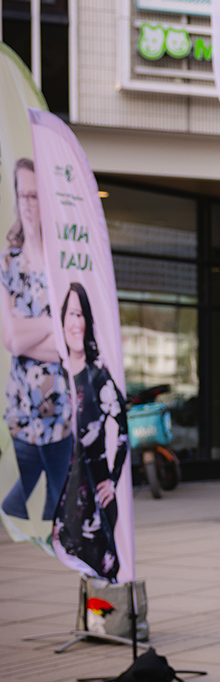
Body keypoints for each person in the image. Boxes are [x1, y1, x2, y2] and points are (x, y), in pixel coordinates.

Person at [0, 157, 73, 523]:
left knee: (57, 504)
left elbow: (70, 342)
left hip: (62, 409)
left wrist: (30, 329)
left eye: (35, 195)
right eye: (22, 196)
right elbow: (10, 339)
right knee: (20, 502)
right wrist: (50, 323)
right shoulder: (7, 263)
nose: (28, 204)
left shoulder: (64, 264)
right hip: (22, 409)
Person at [53, 283, 129, 580]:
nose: (76, 322)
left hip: (96, 496)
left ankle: (106, 618)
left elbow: (121, 428)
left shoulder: (97, 374)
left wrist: (111, 478)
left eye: (81, 314)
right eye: (71, 314)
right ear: (62, 320)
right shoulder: (55, 373)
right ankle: (93, 619)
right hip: (63, 491)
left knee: (104, 568)